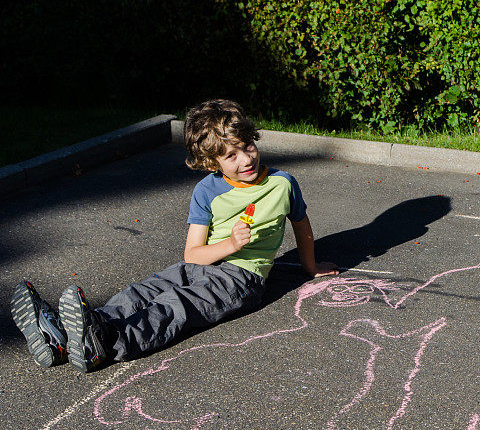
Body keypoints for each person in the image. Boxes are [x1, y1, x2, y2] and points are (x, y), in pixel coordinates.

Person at [11, 99, 338, 372]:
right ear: (212, 161)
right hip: (202, 264)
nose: (246, 159)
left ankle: (106, 344)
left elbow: (301, 223)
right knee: (142, 292)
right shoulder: (207, 190)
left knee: (176, 305)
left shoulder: (282, 184)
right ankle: (68, 337)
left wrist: (310, 267)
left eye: (247, 146)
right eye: (231, 155)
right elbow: (192, 254)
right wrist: (230, 243)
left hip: (241, 279)